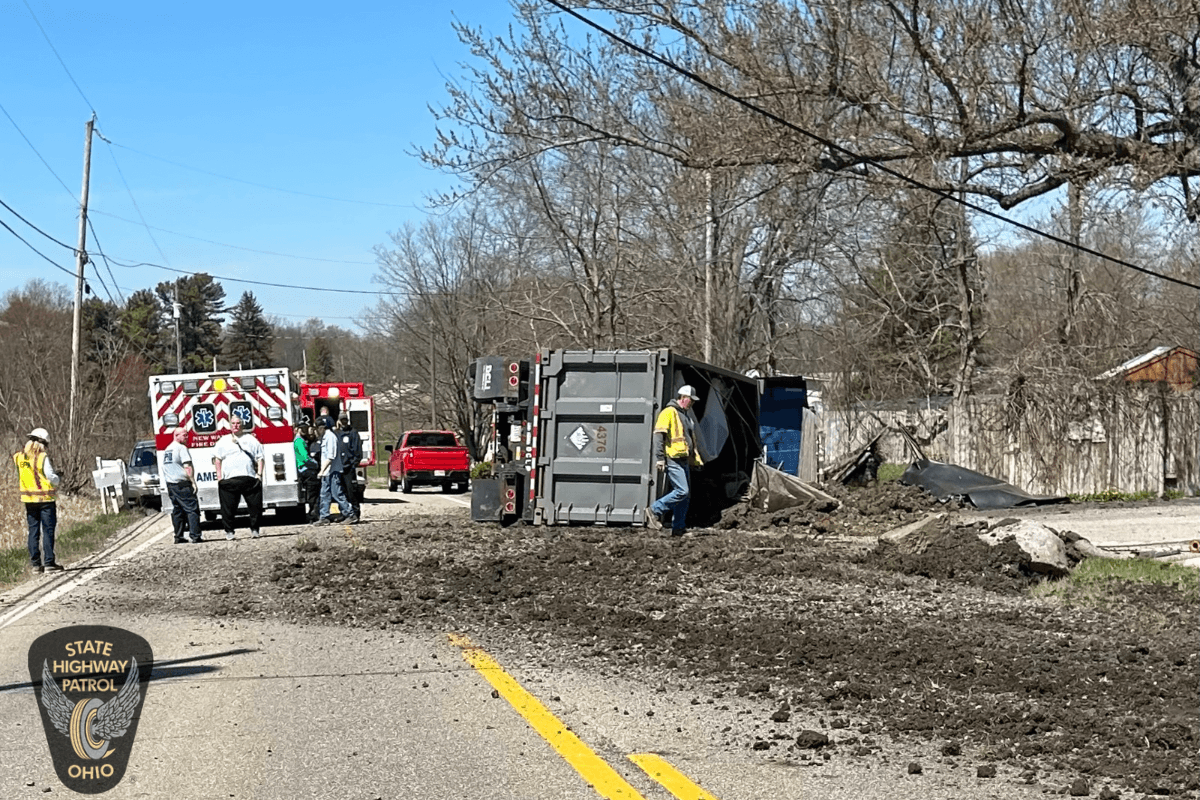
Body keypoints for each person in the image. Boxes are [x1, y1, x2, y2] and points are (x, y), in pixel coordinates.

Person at [647, 385, 704, 536]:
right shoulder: (668, 412)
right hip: (672, 458)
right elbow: (659, 435)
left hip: (683, 459)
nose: (692, 403)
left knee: (685, 497)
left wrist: (695, 460)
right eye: (691, 400)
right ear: (683, 398)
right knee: (682, 491)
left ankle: (678, 528)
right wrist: (660, 459)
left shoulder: (685, 415)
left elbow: (688, 440)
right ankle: (654, 510)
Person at [13, 427, 63, 573]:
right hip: (45, 499)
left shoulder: (18, 457)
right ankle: (49, 563)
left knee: (33, 531)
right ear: (42, 443)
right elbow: (51, 477)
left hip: (28, 500)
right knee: (48, 531)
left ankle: (35, 565)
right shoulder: (42, 457)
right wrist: (58, 479)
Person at [212, 416, 265, 540]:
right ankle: (229, 532)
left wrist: (259, 475)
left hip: (249, 479)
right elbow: (217, 459)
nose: (235, 425)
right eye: (233, 423)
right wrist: (219, 477)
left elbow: (260, 458)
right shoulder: (223, 441)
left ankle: (255, 530)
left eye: (238, 423)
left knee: (255, 507)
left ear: (242, 424)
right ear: (230, 425)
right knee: (227, 509)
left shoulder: (251, 439)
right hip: (229, 480)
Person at [163, 427, 202, 543]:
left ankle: (178, 536)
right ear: (176, 435)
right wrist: (193, 481)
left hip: (171, 484)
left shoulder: (168, 449)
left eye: (187, 434)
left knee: (178, 511)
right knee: (192, 509)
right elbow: (187, 466)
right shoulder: (181, 448)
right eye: (184, 435)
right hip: (182, 484)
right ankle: (195, 535)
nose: (187, 437)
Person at [313, 416, 353, 525]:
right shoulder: (325, 437)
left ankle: (350, 514)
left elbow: (330, 457)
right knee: (324, 494)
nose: (316, 431)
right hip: (327, 472)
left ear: (322, 427)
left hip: (332, 471)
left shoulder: (330, 437)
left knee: (337, 494)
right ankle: (324, 517)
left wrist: (321, 471)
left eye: (317, 428)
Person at [337, 414, 363, 523]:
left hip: (349, 468)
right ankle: (345, 513)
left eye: (345, 420)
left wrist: (353, 463)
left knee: (352, 491)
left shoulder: (353, 433)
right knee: (342, 492)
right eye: (341, 420)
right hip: (339, 467)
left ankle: (355, 514)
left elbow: (358, 451)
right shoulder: (337, 433)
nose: (343, 422)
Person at [295, 424, 321, 523]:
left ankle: (313, 514)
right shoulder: (299, 441)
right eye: (303, 429)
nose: (305, 431)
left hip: (304, 470)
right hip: (307, 470)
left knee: (311, 494)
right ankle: (313, 515)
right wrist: (316, 464)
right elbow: (305, 458)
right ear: (298, 429)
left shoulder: (300, 440)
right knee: (313, 494)